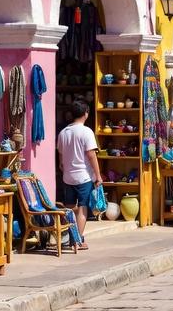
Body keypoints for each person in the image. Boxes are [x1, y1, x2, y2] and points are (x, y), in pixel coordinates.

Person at [56, 99, 101, 249]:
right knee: (82, 209)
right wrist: (98, 176)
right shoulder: (86, 132)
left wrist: (66, 170)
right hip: (83, 177)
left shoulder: (63, 133)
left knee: (69, 209)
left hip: (68, 177)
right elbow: (91, 155)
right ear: (86, 114)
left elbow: (61, 159)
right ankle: (78, 241)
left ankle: (71, 239)